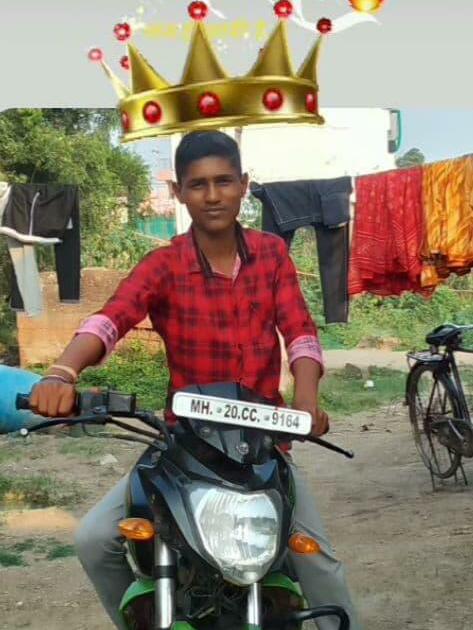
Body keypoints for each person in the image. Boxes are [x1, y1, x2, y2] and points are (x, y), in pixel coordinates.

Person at [30, 130, 362, 630]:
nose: (212, 195)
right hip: (183, 446)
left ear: (244, 185)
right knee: (94, 540)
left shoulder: (271, 253)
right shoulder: (163, 264)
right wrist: (61, 372)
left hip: (262, 447)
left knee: (318, 561)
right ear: (179, 192)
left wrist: (307, 402)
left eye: (224, 181)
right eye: (198, 184)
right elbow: (111, 319)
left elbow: (300, 334)